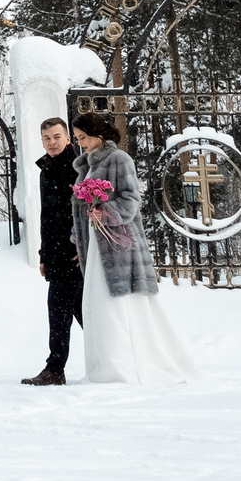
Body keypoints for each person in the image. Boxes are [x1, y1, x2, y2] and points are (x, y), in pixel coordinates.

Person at [70, 112, 196, 384]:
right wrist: (77, 233)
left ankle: (123, 368)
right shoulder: (83, 166)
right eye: (78, 138)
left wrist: (105, 211)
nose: (80, 143)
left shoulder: (119, 160)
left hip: (118, 245)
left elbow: (130, 199)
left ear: (98, 134)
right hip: (94, 245)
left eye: (83, 137)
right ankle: (102, 368)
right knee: (96, 304)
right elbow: (80, 209)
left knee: (116, 305)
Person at [22, 117, 83, 385]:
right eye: (46, 138)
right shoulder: (45, 169)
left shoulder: (80, 166)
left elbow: (84, 212)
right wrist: (43, 255)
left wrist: (81, 245)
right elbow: (47, 217)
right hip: (56, 254)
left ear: (68, 138)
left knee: (60, 312)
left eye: (57, 137)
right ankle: (116, 359)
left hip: (76, 253)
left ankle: (55, 369)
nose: (52, 143)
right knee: (83, 313)